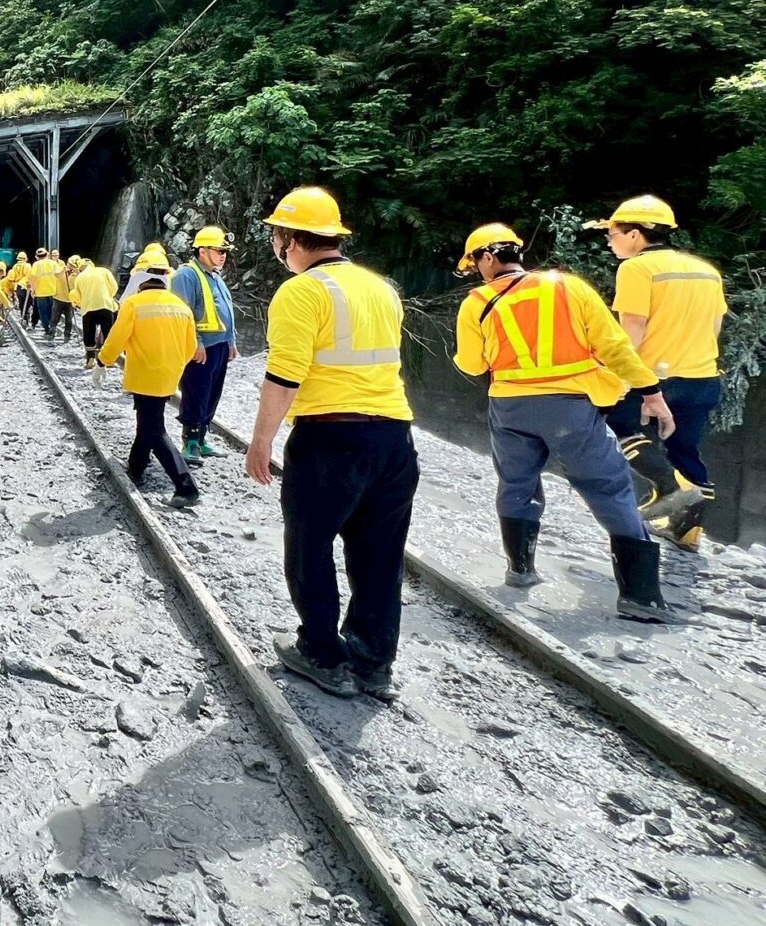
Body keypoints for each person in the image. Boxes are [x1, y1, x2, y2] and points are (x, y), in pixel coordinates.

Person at [451, 223, 675, 621]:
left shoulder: (477, 302)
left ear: (488, 257)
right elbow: (615, 345)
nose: (477, 273)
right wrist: (651, 392)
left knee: (517, 482)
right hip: (570, 408)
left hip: (509, 407)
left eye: (476, 264)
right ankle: (641, 598)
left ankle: (520, 570)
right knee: (607, 486)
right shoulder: (569, 287)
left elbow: (472, 364)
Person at [244, 187, 416, 702]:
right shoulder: (381, 287)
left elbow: (284, 376)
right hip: (394, 438)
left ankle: (321, 651)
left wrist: (261, 441)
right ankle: (372, 661)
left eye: (278, 235)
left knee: (309, 547)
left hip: (330, 438)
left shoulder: (301, 291)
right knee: (380, 556)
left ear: (290, 240)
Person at [587, 196, 728, 552]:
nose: (609, 240)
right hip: (702, 376)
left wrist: (617, 377)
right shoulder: (706, 270)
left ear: (635, 234)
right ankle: (688, 532)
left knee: (617, 426)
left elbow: (631, 330)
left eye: (613, 233)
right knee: (685, 448)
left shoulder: (636, 269)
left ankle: (672, 489)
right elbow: (714, 327)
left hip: (652, 376)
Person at [97, 244, 200, 507]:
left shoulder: (133, 304)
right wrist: (172, 366)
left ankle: (186, 486)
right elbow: (190, 348)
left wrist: (101, 362)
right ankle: (136, 467)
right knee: (148, 422)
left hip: (144, 376)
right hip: (169, 377)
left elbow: (116, 339)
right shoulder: (181, 306)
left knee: (155, 430)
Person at [174, 226, 238, 466]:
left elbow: (226, 309)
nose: (223, 255)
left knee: (212, 393)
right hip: (201, 349)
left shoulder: (215, 276)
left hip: (219, 346)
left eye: (225, 251)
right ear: (202, 251)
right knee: (196, 392)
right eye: (219, 250)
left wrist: (231, 340)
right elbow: (183, 313)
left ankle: (201, 438)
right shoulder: (186, 275)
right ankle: (190, 440)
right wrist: (196, 343)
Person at [73, 255, 120, 368]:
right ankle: (109, 360)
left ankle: (90, 359)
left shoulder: (79, 277)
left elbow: (77, 295)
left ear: (81, 268)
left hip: (88, 308)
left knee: (89, 334)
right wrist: (107, 296)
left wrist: (79, 304)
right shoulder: (104, 271)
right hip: (105, 306)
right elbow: (114, 287)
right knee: (108, 333)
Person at [31, 250, 65, 338]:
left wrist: (32, 289)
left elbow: (33, 277)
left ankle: (47, 329)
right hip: (53, 292)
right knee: (52, 312)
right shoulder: (53, 263)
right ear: (47, 255)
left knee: (43, 313)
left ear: (37, 256)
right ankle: (53, 327)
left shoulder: (36, 264)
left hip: (40, 293)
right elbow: (59, 274)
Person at [51, 250, 77, 343]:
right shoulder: (61, 269)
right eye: (69, 264)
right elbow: (55, 273)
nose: (70, 266)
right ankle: (52, 333)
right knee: (54, 318)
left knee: (69, 320)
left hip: (70, 301)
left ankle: (67, 336)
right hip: (58, 298)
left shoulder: (77, 275)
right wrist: (63, 270)